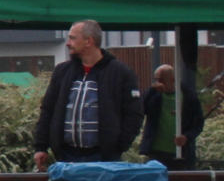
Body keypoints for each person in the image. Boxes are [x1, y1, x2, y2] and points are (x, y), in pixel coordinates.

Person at [33, 20, 144, 168]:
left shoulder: (121, 73)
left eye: (72, 38)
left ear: (88, 41)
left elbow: (134, 114)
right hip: (66, 156)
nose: (68, 43)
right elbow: (48, 110)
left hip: (103, 157)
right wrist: (41, 146)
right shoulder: (62, 71)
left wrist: (117, 147)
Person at [141, 63, 204, 170]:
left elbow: (198, 123)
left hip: (181, 152)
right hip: (157, 150)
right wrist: (151, 91)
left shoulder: (188, 95)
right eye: (156, 80)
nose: (158, 83)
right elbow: (139, 109)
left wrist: (186, 136)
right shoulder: (153, 94)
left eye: (161, 80)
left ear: (172, 79)